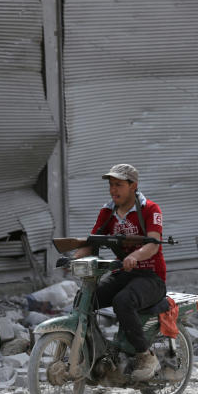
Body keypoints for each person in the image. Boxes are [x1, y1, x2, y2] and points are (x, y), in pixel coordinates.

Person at [73, 163, 166, 381]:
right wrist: (74, 258)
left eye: (119, 185)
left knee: (123, 301)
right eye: (111, 185)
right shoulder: (107, 212)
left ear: (133, 186)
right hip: (123, 273)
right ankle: (96, 353)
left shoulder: (150, 209)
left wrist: (135, 256)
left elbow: (153, 244)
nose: (113, 190)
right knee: (84, 299)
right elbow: (92, 241)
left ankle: (146, 355)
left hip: (151, 277)